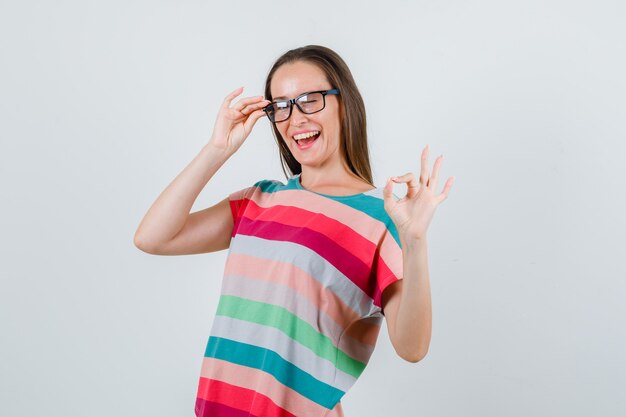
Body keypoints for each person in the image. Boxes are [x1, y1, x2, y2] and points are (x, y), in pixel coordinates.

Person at [134, 45, 454, 417]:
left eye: (309, 100)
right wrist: (217, 148)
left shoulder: (383, 218)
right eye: (281, 106)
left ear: (344, 103)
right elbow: (153, 238)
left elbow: (412, 348)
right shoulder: (259, 199)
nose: (294, 117)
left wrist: (414, 241)